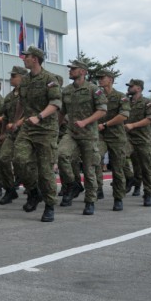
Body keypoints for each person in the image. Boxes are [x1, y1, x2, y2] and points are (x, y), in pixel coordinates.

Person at [13, 45, 62, 222]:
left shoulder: (50, 79)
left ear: (35, 59)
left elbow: (56, 103)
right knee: (19, 160)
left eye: (26, 57)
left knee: (46, 170)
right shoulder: (25, 80)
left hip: (46, 129)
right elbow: (21, 102)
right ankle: (33, 191)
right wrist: (15, 121)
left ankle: (49, 205)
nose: (23, 59)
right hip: (27, 127)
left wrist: (39, 117)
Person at [57, 60, 107, 215]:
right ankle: (73, 184)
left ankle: (90, 201)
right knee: (61, 154)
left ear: (83, 71)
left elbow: (102, 110)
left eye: (74, 69)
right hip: (71, 133)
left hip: (89, 135)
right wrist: (56, 128)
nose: (70, 71)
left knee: (89, 169)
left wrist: (85, 122)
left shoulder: (94, 90)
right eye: (70, 68)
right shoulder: (66, 90)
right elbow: (61, 112)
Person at [95, 69, 131, 211]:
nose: (99, 80)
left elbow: (124, 115)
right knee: (95, 159)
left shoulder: (121, 97)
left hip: (116, 137)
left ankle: (118, 198)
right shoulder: (97, 95)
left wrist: (105, 124)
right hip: (100, 136)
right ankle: (97, 190)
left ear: (110, 79)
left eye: (102, 78)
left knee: (117, 168)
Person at [0, 66, 27, 205]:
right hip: (11, 134)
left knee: (21, 162)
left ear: (22, 77)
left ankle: (33, 189)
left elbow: (32, 112)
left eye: (14, 76)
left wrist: (18, 123)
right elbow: (4, 116)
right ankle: (10, 190)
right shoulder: (9, 97)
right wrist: (3, 133)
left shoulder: (29, 93)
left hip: (27, 133)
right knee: (3, 159)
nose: (11, 78)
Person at [124, 79, 151, 206]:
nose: (129, 88)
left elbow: (150, 119)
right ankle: (130, 178)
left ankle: (148, 193)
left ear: (138, 88)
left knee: (146, 168)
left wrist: (133, 125)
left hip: (143, 140)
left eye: (131, 86)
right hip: (128, 138)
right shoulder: (125, 101)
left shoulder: (147, 102)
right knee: (119, 157)